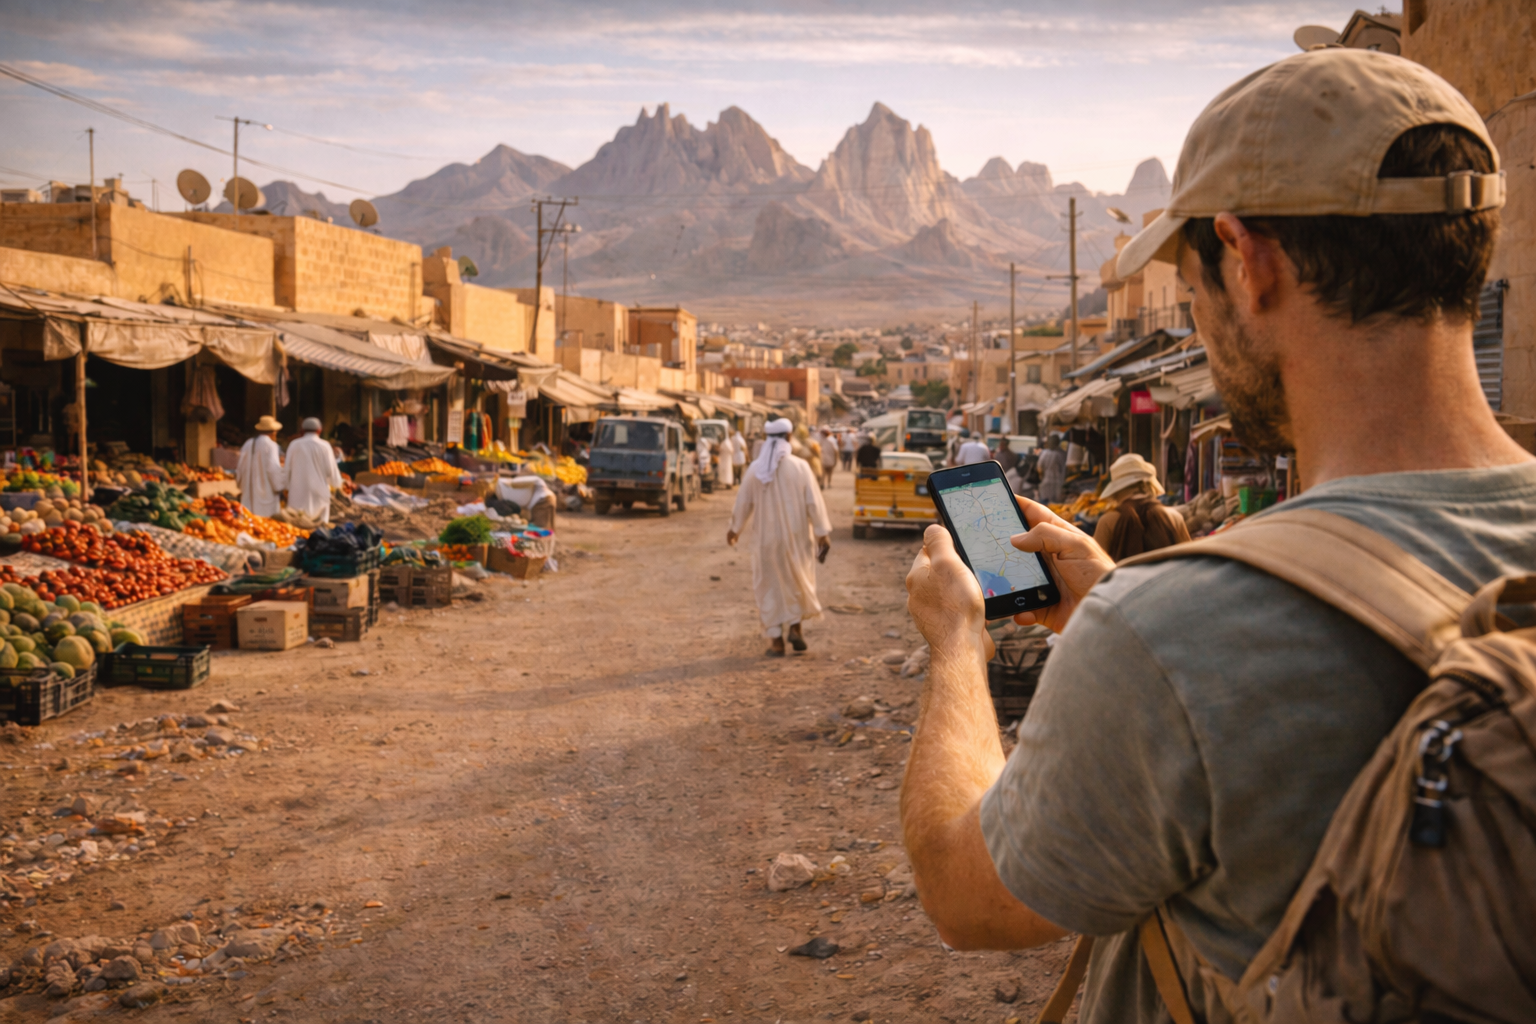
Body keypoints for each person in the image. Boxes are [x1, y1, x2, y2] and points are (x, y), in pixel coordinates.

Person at [898, 48, 1534, 1024]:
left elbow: (961, 889)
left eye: (1191, 278)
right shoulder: (1158, 629)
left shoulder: (1165, 644)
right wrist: (1122, 598)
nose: (1193, 305)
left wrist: (954, 642)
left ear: (1247, 259)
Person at [727, 418, 831, 657]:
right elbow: (814, 503)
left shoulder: (755, 469)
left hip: (766, 541)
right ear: (788, 437)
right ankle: (795, 628)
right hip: (796, 540)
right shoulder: (800, 467)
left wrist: (734, 529)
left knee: (769, 587)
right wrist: (822, 535)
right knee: (795, 581)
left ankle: (776, 642)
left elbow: (743, 503)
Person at [1091, 453, 1190, 561]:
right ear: (1150, 486)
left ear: (1117, 491)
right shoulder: (1174, 517)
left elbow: (1094, 563)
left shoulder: (1108, 521)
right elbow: (1189, 561)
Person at [284, 417, 343, 524]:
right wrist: (337, 485)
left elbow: (287, 470)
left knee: (296, 527)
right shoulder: (325, 446)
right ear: (319, 430)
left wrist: (287, 487)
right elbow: (331, 471)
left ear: (302, 430)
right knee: (320, 528)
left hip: (297, 495)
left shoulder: (294, 445)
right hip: (319, 496)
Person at [235, 415, 286, 517]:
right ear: (273, 432)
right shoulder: (271, 446)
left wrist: (242, 485)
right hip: (266, 494)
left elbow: (240, 469)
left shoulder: (247, 444)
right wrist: (282, 485)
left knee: (248, 520)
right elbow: (273, 470)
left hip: (249, 493)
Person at [1034, 435, 1066, 504]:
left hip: (1046, 482)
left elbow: (1039, 468)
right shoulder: (1062, 453)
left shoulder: (1044, 453)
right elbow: (1064, 469)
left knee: (1046, 504)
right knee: (1055, 505)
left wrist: (1041, 477)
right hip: (1058, 483)